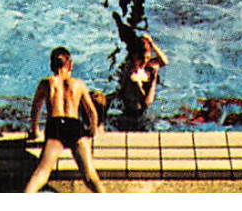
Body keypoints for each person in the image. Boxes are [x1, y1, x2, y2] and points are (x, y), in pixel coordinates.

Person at [24, 47, 104, 193]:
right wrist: (92, 129)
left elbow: (35, 109)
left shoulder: (46, 83)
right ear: (70, 65)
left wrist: (34, 131)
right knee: (90, 176)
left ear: (51, 66)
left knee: (41, 173)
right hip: (75, 126)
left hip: (55, 126)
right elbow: (92, 112)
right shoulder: (78, 84)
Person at [117, 35, 168, 122]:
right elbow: (146, 103)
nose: (145, 62)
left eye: (148, 58)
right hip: (133, 114)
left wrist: (152, 45)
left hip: (142, 108)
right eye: (142, 59)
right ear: (134, 57)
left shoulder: (144, 64)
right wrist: (153, 80)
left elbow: (164, 62)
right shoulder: (133, 76)